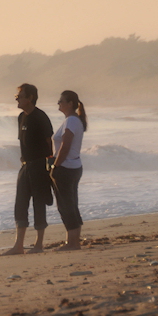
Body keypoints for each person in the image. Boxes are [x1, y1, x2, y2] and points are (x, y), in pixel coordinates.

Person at [2, 83, 54, 255]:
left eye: (20, 96)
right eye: (17, 96)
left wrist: (49, 168)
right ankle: (19, 245)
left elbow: (49, 143)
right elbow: (23, 142)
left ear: (30, 98)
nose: (16, 98)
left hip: (39, 165)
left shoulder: (40, 117)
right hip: (25, 166)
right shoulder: (21, 117)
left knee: (39, 203)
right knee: (20, 204)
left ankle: (39, 244)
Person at [50, 90, 87, 250]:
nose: (58, 103)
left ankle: (72, 243)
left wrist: (55, 166)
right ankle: (73, 241)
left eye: (61, 101)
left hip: (66, 167)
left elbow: (66, 146)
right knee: (71, 204)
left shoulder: (71, 121)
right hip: (74, 166)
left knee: (66, 205)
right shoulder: (73, 120)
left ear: (70, 103)